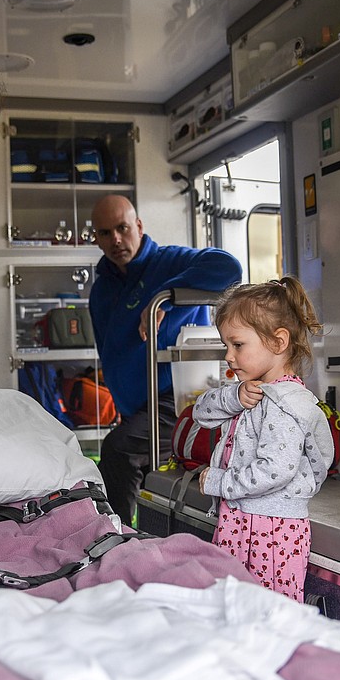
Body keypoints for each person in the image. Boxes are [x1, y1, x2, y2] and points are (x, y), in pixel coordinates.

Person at [88, 195, 241, 526]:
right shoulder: (101, 290)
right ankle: (131, 538)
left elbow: (229, 268)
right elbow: (109, 353)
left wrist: (165, 298)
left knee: (118, 451)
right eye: (105, 233)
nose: (115, 239)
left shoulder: (170, 262)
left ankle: (118, 538)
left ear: (139, 227)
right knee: (119, 470)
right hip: (137, 409)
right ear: (96, 238)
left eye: (122, 228)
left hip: (179, 400)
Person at [194, 278, 335, 602]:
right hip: (242, 518)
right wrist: (234, 397)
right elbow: (201, 414)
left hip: (271, 529)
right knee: (234, 603)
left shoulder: (285, 404)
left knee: (269, 610)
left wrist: (219, 482)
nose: (229, 356)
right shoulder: (252, 391)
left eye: (238, 345)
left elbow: (275, 471)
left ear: (278, 342)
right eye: (225, 346)